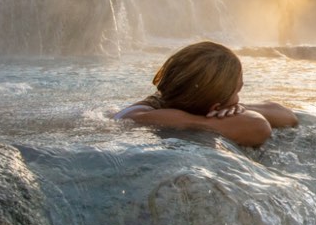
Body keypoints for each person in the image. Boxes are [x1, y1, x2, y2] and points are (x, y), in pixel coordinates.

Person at [114, 41, 298, 147]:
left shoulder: (178, 100)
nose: (239, 98)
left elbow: (287, 115)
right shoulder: (139, 114)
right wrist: (209, 121)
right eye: (238, 91)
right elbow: (259, 127)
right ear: (214, 107)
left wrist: (238, 108)